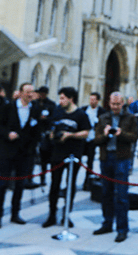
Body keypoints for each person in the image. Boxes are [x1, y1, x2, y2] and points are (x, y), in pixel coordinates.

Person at [0, 83, 42, 229]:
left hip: (24, 153)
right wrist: (7, 134)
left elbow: (36, 130)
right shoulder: (7, 108)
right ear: (20, 93)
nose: (30, 95)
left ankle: (15, 213)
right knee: (2, 184)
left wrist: (32, 148)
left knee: (20, 184)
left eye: (32, 92)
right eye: (27, 92)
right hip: (7, 151)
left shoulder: (35, 109)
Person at [42, 87, 91, 228]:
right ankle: (51, 215)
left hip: (73, 154)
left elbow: (86, 133)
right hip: (57, 153)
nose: (60, 101)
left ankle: (66, 215)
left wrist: (71, 135)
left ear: (71, 99)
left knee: (70, 185)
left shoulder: (81, 114)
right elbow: (52, 127)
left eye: (63, 98)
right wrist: (52, 134)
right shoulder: (57, 111)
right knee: (54, 185)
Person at [92, 92, 137, 243]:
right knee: (106, 193)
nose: (115, 107)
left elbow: (134, 137)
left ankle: (122, 229)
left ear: (123, 103)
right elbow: (96, 140)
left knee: (122, 195)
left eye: (118, 104)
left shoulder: (130, 118)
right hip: (106, 158)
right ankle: (107, 223)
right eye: (113, 104)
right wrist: (105, 134)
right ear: (109, 103)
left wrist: (121, 133)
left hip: (122, 159)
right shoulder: (103, 118)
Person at [81, 92, 106, 190]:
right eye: (90, 99)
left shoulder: (101, 112)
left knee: (90, 161)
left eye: (94, 99)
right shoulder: (84, 110)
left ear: (98, 100)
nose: (92, 101)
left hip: (93, 138)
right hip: (83, 137)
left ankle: (87, 181)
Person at [35, 86, 56, 187]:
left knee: (45, 157)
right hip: (36, 131)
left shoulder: (51, 104)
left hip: (46, 133)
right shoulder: (35, 103)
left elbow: (53, 118)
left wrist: (46, 119)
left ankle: (43, 178)